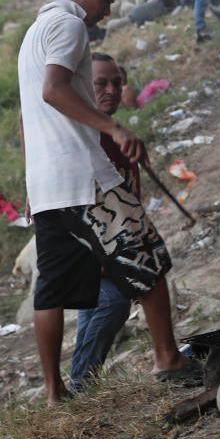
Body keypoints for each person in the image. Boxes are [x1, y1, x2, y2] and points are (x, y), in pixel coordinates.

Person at [17, 0, 197, 405]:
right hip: (84, 178)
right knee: (149, 258)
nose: (108, 8)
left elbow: (30, 114)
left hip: (47, 187)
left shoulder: (35, 31)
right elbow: (54, 91)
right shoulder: (71, 23)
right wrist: (113, 128)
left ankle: (56, 396)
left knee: (50, 291)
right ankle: (167, 358)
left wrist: (29, 182)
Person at [68, 52, 139, 390]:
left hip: (116, 250)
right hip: (84, 251)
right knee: (112, 303)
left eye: (116, 82)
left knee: (92, 314)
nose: (111, 89)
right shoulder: (79, 140)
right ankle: (81, 384)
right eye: (101, 83)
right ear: (83, 87)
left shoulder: (120, 139)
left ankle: (83, 387)